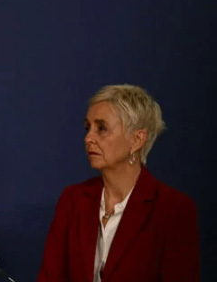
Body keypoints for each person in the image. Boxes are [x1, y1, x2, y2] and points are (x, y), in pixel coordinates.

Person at [37, 84, 199, 282]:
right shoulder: (73, 200)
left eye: (101, 128)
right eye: (88, 128)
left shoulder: (173, 210)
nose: (88, 138)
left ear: (137, 140)